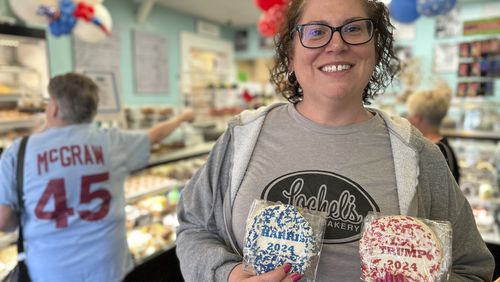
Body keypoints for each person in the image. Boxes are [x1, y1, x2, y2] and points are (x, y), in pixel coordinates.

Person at [176, 0, 494, 281]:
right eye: (316, 32)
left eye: (354, 29)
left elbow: (473, 268)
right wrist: (228, 275)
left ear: (376, 48)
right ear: (290, 55)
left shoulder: (419, 153)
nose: (337, 44)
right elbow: (194, 229)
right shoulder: (242, 136)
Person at [0, 72, 195, 281]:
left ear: (54, 108)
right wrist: (181, 118)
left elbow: (4, 221)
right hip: (108, 269)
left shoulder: (19, 152)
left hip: (49, 272)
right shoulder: (112, 142)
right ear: (92, 111)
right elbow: (154, 136)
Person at [406, 86, 461, 184]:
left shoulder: (430, 152)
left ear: (417, 119)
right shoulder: (445, 148)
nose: (407, 118)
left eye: (409, 114)